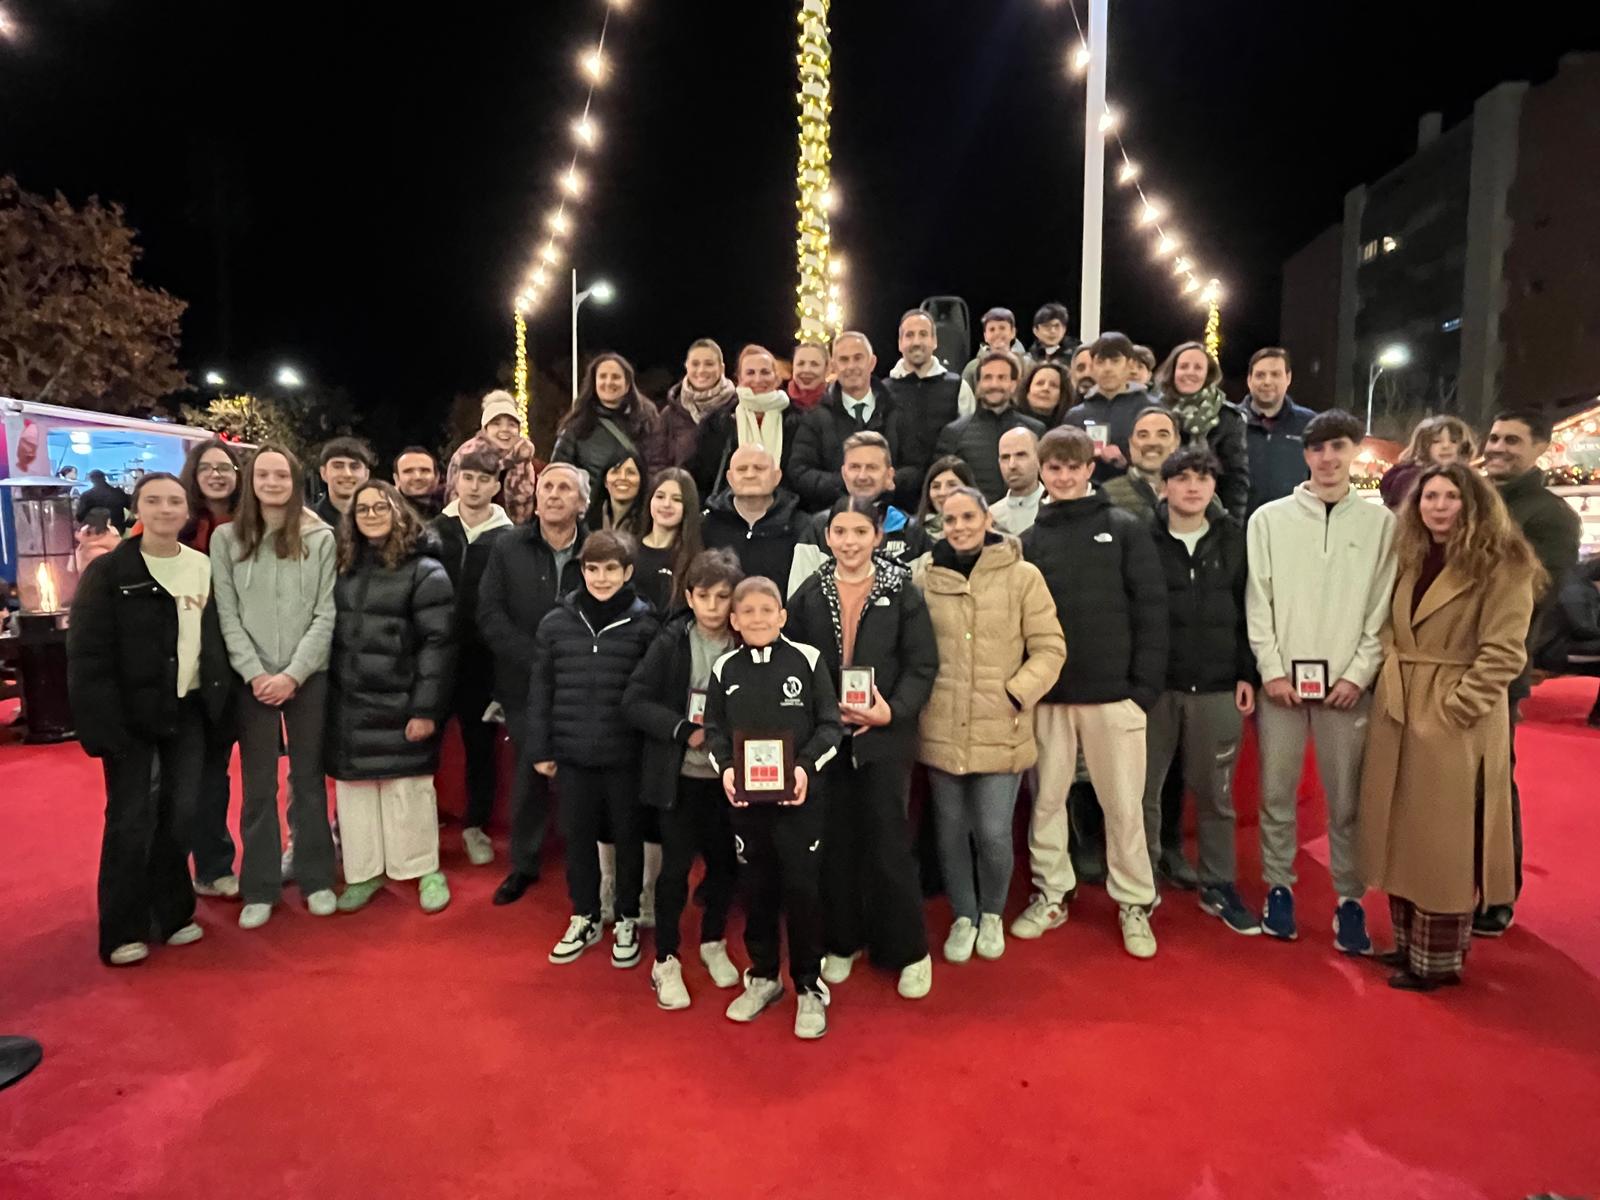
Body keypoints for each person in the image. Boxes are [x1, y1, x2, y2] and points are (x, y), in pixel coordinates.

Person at [1357, 463, 1539, 990]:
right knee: (1402, 835)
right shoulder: (1410, 556)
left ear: (1474, 502)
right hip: (1400, 703)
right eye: (1429, 496)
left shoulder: (1504, 563)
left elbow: (1504, 653)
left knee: (1444, 843)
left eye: (1450, 497)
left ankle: (1437, 962)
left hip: (1454, 717)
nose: (1437, 506)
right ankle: (1409, 946)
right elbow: (1390, 623)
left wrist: (1457, 708)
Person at [1245, 408, 1396, 947]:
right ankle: (1278, 888)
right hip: (1281, 686)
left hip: (1348, 689)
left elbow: (1383, 608)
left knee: (1346, 799)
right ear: (1305, 455)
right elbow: (1257, 599)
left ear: (1354, 451)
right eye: (1318, 449)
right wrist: (1271, 670)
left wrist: (1359, 674)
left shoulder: (1383, 525)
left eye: (1339, 448)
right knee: (1276, 793)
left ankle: (1349, 900)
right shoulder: (1268, 519)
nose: (1328, 459)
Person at [68, 473, 231, 965]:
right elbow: (88, 654)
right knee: (130, 817)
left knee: (181, 813)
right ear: (136, 510)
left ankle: (174, 912)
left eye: (174, 501)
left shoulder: (203, 567)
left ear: (187, 512)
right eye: (153, 501)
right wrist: (101, 724)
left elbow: (216, 642)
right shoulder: (110, 572)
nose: (165, 509)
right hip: (130, 713)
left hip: (190, 711)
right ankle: (121, 925)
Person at [1017, 426, 1167, 959]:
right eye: (1052, 468)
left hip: (1115, 698)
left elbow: (1151, 610)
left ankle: (1133, 901)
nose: (1062, 476)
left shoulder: (1123, 528)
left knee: (1123, 805)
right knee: (1048, 802)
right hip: (1050, 698)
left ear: (1087, 469)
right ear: (1042, 472)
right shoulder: (1030, 541)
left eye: (1071, 467)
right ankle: (1052, 891)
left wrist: (1142, 690)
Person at [789, 497, 940, 999]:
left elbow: (922, 665)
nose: (849, 541)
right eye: (840, 531)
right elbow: (797, 667)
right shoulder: (810, 593)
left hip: (883, 738)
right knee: (834, 844)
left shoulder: (903, 591)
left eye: (860, 531)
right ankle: (842, 940)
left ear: (877, 536)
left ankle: (910, 950)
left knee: (888, 844)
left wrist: (891, 712)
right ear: (827, 537)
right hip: (829, 741)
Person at [914, 487, 1065, 964]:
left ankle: (992, 913)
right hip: (940, 724)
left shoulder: (1023, 576)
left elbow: (1049, 647)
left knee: (995, 831)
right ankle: (963, 915)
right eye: (949, 519)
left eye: (967, 517)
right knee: (951, 831)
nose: (958, 526)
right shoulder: (923, 578)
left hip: (1002, 724)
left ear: (986, 519)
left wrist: (1016, 691)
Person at [705, 576, 843, 1039]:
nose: (758, 618)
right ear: (734, 620)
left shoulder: (807, 660)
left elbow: (830, 725)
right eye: (748, 612)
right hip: (747, 803)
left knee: (803, 891)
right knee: (757, 889)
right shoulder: (725, 668)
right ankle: (763, 977)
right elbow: (717, 732)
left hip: (801, 801)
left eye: (767, 610)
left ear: (782, 616)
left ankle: (808, 985)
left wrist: (804, 768)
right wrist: (726, 769)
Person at [210, 446, 339, 929]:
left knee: (307, 781)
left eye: (280, 474)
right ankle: (259, 886)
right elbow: (226, 614)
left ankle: (316, 877)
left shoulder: (319, 536)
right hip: (253, 680)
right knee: (258, 786)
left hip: (307, 675)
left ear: (294, 479)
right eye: (262, 474)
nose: (271, 481)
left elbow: (326, 612)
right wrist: (256, 673)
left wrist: (294, 673)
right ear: (251, 481)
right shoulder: (227, 539)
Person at [623, 548, 746, 1009]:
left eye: (724, 597)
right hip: (680, 779)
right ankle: (666, 958)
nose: (714, 606)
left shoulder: (749, 643)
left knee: (724, 866)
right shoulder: (672, 641)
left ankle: (713, 940)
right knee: (674, 870)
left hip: (731, 783)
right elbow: (634, 701)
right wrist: (682, 730)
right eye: (705, 596)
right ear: (689, 597)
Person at [530, 530, 660, 966]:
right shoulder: (556, 623)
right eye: (592, 569)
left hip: (625, 755)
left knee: (628, 838)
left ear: (627, 573)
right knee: (578, 837)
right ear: (580, 571)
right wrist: (541, 746)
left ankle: (626, 914)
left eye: (610, 569)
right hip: (571, 753)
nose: (601, 578)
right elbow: (541, 690)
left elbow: (653, 695)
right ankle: (585, 913)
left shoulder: (646, 625)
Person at [1144, 448, 1259, 932]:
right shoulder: (1141, 540)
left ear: (1214, 487)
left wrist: (1246, 673)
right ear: (1164, 487)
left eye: (1203, 478)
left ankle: (1218, 885)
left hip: (1216, 687)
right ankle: (1139, 885)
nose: (1193, 487)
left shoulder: (1236, 540)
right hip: (1154, 689)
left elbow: (1253, 608)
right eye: (1183, 478)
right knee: (1141, 792)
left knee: (1215, 794)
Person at [327, 481, 456, 915]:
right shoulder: (341, 565)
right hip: (349, 700)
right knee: (356, 795)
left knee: (409, 791)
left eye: (380, 506)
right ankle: (364, 873)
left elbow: (439, 644)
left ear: (398, 511)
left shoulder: (425, 570)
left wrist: (425, 707)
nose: (371, 514)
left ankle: (423, 869)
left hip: (402, 698)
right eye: (361, 508)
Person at [1477, 409, 1582, 936]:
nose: (1498, 447)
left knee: (1494, 785)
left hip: (1498, 669)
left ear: (1540, 448)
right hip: (1446, 664)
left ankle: (1498, 895)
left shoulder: (1550, 516)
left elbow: (1534, 594)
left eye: (1512, 441)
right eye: (1494, 437)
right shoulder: (1475, 500)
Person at [477, 463, 590, 904]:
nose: (555, 495)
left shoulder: (598, 549)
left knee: (583, 776)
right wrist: (537, 658)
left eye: (567, 488)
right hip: (523, 681)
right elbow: (489, 614)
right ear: (535, 496)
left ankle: (586, 862)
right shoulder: (507, 547)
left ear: (581, 502)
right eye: (548, 487)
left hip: (584, 683)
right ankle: (523, 864)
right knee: (530, 773)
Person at [429, 448, 514, 866]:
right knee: (424, 743)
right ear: (456, 480)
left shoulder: (509, 536)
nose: (476, 486)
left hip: (483, 661)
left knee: (481, 747)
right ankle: (419, 828)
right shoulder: (433, 531)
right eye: (469, 478)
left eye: (485, 479)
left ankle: (475, 826)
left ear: (497, 485)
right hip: (435, 656)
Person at [176, 438, 243, 897]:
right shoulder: (173, 525)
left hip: (233, 665)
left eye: (226, 466)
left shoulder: (249, 524)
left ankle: (214, 865)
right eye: (208, 467)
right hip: (181, 667)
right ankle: (166, 875)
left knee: (214, 773)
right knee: (180, 778)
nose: (217, 474)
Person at [787, 331, 907, 510]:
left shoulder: (898, 411)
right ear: (834, 366)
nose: (851, 366)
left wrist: (882, 482)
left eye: (858, 358)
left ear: (872, 362)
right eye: (844, 360)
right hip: (832, 517)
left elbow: (915, 466)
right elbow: (800, 472)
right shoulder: (815, 417)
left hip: (891, 515)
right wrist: (849, 482)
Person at [553, 353, 662, 528]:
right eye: (602, 376)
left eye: (616, 377)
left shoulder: (647, 421)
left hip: (641, 520)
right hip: (591, 521)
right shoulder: (576, 427)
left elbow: (658, 466)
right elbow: (559, 474)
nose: (608, 382)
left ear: (627, 385)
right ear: (594, 383)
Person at [687, 345, 806, 502]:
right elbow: (702, 476)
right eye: (750, 373)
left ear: (776, 378)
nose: (758, 379)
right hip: (729, 514)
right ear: (739, 379)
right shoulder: (717, 423)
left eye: (765, 372)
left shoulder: (799, 421)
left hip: (785, 513)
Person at [883, 310, 976, 508]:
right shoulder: (882, 391)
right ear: (900, 343)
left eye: (923, 334)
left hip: (947, 501)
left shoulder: (958, 387)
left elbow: (969, 443)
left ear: (934, 341)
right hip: (895, 501)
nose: (916, 341)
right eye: (909, 335)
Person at [796, 431, 928, 570]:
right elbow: (800, 589)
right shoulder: (818, 528)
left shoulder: (912, 532)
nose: (862, 476)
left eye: (871, 467)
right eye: (855, 467)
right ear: (844, 474)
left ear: (889, 476)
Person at [1152, 341, 1250, 520]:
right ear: (1173, 371)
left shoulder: (1228, 417)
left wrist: (1233, 525)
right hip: (1158, 514)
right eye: (1183, 366)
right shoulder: (1153, 412)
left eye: (1198, 367)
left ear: (1208, 374)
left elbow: (1235, 479)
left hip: (1211, 517)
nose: (1190, 372)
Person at [700, 445, 812, 596]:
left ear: (777, 476)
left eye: (759, 468)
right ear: (730, 478)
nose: (750, 474)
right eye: (742, 469)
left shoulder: (802, 527)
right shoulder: (706, 525)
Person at [934, 351, 1045, 502]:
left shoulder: (1036, 430)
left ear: (1013, 385)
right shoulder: (954, 432)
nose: (994, 384)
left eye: (1001, 378)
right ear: (978, 384)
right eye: (988, 378)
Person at [1061, 332, 1152, 482]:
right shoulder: (1075, 415)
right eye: (1101, 361)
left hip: (1137, 497)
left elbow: (1164, 459)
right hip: (1086, 498)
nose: (1107, 368)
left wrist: (1127, 462)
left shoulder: (1151, 410)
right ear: (1093, 366)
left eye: (1115, 361)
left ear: (1130, 364)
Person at [444, 390, 541, 525]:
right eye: (496, 423)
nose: (504, 429)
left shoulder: (532, 466)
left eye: (512, 424)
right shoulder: (464, 459)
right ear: (485, 430)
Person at [1241, 347, 1315, 516]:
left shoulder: (1310, 424)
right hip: (1238, 533)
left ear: (1288, 378)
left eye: (1275, 374)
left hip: (1292, 529)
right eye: (1260, 375)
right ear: (1249, 380)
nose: (1267, 381)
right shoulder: (1229, 422)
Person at [655, 339, 738, 471]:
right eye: (695, 364)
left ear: (721, 368)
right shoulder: (669, 414)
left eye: (709, 364)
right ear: (686, 366)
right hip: (682, 490)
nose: (701, 370)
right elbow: (657, 462)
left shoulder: (738, 408)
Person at [633, 468, 704, 614]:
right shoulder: (628, 549)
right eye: (660, 496)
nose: (666, 504)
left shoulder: (696, 559)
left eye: (676, 499)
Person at [1378, 415, 1477, 510]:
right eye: (1436, 441)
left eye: (1454, 441)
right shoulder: (1410, 479)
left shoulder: (1466, 478)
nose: (1446, 446)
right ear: (1423, 445)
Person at [1102, 406, 1182, 522]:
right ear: (1130, 443)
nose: (1152, 442)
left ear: (1176, 442)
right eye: (1143, 435)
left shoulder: (1198, 492)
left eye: (1162, 435)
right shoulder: (1107, 495)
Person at [990, 427, 1044, 536]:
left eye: (1021, 455)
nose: (1012, 465)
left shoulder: (1057, 509)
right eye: (1005, 457)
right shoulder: (991, 517)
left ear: (1039, 458)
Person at [961, 306, 1030, 389]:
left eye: (1002, 328)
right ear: (985, 336)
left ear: (1013, 332)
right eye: (992, 329)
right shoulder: (972, 368)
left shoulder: (1027, 366)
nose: (997, 333)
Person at [313, 437, 375, 528]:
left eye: (354, 467)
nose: (347, 474)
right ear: (323, 473)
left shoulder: (379, 521)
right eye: (338, 466)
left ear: (366, 474)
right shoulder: (308, 522)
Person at [914, 455, 977, 542]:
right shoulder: (913, 536)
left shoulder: (986, 532)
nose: (942, 492)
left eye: (952, 485)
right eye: (936, 486)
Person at [599, 448, 649, 539]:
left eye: (630, 473)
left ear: (642, 481)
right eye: (615, 472)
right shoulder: (587, 524)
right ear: (605, 482)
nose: (622, 478)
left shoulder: (650, 525)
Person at [1017, 360, 1071, 430]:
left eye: (1053, 385)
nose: (1045, 388)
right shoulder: (1012, 423)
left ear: (1061, 396)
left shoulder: (1069, 427)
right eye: (1040, 383)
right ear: (1027, 391)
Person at [394, 446, 442, 519]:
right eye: (408, 471)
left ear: (437, 477)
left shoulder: (454, 511)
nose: (417, 477)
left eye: (424, 470)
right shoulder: (388, 514)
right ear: (397, 479)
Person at [786, 342, 831, 412]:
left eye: (814, 364)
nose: (806, 370)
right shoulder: (778, 402)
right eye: (800, 363)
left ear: (826, 369)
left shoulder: (837, 403)